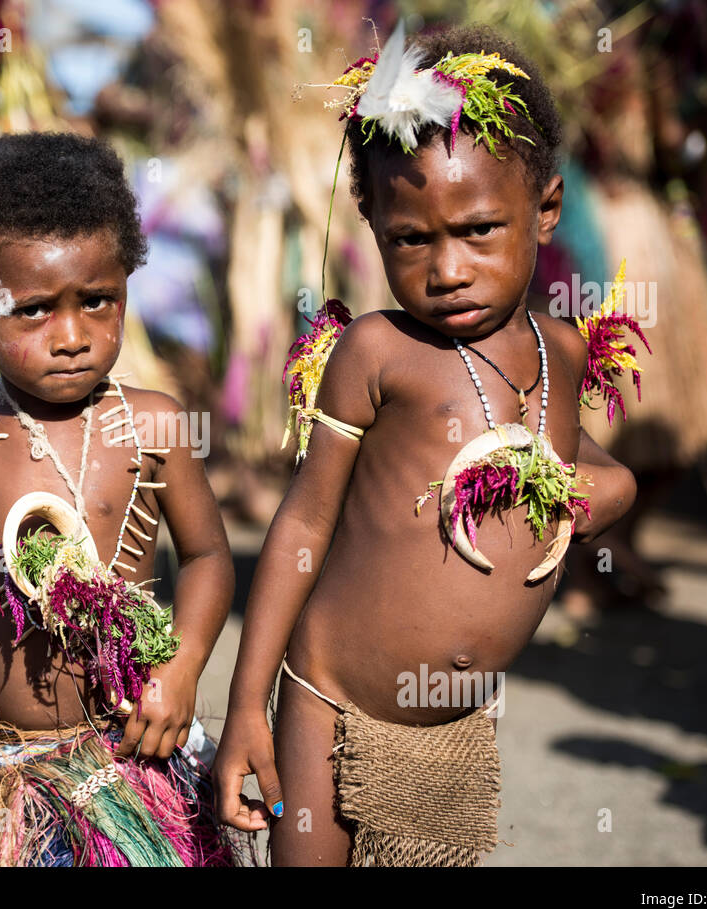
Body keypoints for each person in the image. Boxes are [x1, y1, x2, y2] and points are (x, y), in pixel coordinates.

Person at [213, 24, 643, 866]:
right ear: (371, 219)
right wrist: (242, 707)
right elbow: (303, 527)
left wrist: (606, 498)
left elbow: (600, 470)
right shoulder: (377, 353)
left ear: (546, 209)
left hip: (453, 725)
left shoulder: (561, 350)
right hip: (328, 704)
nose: (447, 268)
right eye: (413, 239)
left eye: (479, 230)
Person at [0, 130, 240, 866]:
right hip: (0, 782)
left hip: (128, 763)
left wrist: (185, 664)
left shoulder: (153, 425)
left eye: (98, 301)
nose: (73, 335)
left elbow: (209, 557)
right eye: (33, 310)